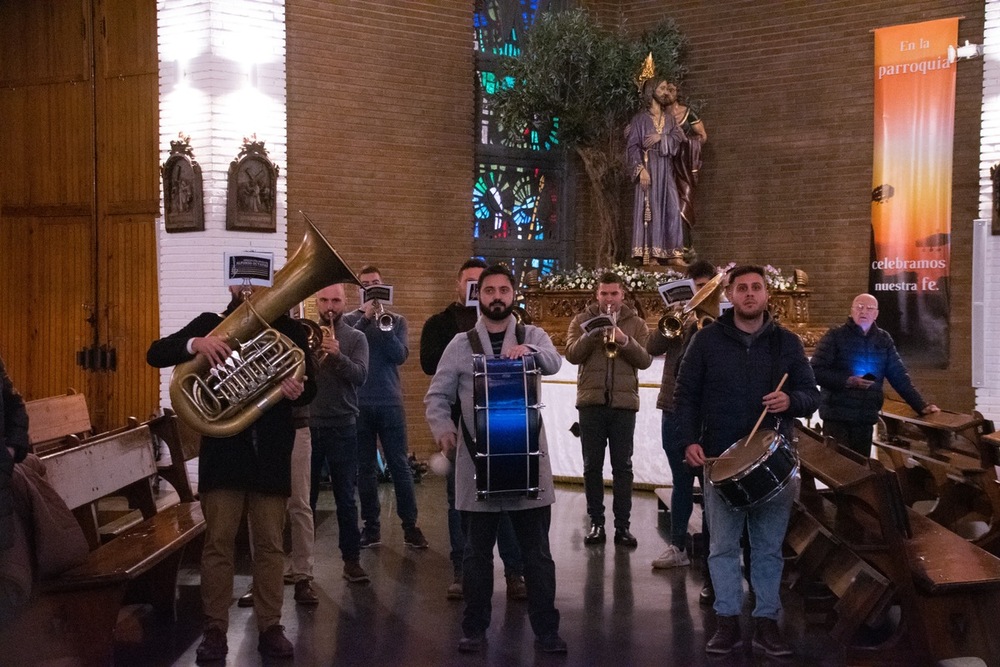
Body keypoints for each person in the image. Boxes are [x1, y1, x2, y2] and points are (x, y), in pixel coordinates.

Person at [146, 281, 316, 663]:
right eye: (245, 282)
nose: (252, 289)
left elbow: (311, 389)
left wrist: (295, 390)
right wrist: (196, 345)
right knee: (218, 543)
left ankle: (271, 626)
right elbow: (155, 353)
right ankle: (214, 630)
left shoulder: (288, 332)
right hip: (224, 454)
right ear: (232, 285)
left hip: (271, 452)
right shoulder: (211, 323)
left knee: (271, 544)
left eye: (262, 282)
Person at [674, 265, 819, 657]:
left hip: (774, 461)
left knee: (768, 548)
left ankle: (767, 623)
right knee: (721, 546)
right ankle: (726, 622)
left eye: (757, 288)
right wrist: (688, 440)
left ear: (767, 295)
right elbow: (684, 395)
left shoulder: (786, 344)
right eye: (742, 288)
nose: (750, 294)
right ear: (730, 295)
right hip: (721, 461)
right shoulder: (706, 342)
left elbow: (811, 394)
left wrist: (792, 401)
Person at [424, 263, 566, 654]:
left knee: (537, 556)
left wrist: (532, 352)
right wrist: (443, 430)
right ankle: (474, 629)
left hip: (528, 467)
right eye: (489, 291)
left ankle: (547, 632)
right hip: (475, 467)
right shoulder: (459, 344)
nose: (497, 297)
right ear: (478, 297)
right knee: (475, 557)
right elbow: (436, 397)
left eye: (504, 290)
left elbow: (555, 363)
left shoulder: (533, 334)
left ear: (513, 294)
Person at [419, 258, 527, 601]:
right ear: (463, 287)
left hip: (503, 427)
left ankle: (514, 572)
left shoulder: (515, 327)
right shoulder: (443, 325)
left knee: (509, 504)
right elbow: (429, 367)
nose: (488, 293)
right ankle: (462, 569)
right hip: (461, 429)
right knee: (460, 504)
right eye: (475, 285)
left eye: (495, 287)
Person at [565, 272, 652, 547]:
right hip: (591, 402)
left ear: (622, 295)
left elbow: (646, 359)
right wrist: (592, 335)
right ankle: (596, 523)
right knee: (592, 467)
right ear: (597, 295)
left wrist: (624, 340)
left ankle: (622, 526)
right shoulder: (581, 321)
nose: (609, 299)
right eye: (604, 294)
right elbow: (571, 354)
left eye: (614, 294)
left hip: (624, 405)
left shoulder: (636, 323)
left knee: (623, 467)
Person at [344, 265, 427, 549]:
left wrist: (384, 325)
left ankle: (410, 526)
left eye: (376, 283)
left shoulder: (397, 320)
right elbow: (344, 351)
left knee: (400, 466)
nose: (371, 287)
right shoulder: (347, 321)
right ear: (359, 290)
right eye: (366, 284)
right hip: (358, 404)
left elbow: (400, 355)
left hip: (390, 402)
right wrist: (366, 320)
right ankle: (372, 527)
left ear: (383, 286)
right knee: (364, 469)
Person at [647, 260, 717, 570]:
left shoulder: (721, 322)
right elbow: (651, 346)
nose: (699, 294)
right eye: (695, 288)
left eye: (704, 288)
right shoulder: (680, 318)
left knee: (712, 483)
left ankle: (714, 551)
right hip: (673, 406)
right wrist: (675, 315)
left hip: (708, 411)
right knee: (680, 479)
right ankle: (678, 546)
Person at [811, 293, 939, 457]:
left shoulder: (883, 339)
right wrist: (848, 381)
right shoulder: (835, 336)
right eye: (859, 307)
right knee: (839, 469)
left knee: (861, 469)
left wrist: (921, 405)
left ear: (876, 314)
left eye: (869, 308)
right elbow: (815, 371)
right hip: (837, 417)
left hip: (865, 417)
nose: (863, 311)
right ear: (851, 311)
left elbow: (899, 376)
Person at [308, 284, 370, 585]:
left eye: (335, 300)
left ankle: (352, 560)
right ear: (315, 303)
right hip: (308, 424)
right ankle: (302, 567)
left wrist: (337, 356)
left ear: (345, 303)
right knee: (304, 502)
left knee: (346, 498)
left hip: (343, 424)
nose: (329, 306)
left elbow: (360, 376)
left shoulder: (356, 337)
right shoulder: (304, 335)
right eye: (324, 300)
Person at [627, 76, 706, 264]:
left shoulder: (670, 119)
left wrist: (661, 137)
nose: (665, 92)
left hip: (666, 168)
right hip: (649, 168)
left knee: (672, 206)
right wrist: (640, 170)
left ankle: (674, 253)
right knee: (651, 208)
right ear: (651, 91)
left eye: (666, 89)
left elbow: (680, 139)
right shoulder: (639, 120)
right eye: (661, 88)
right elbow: (632, 147)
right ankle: (652, 254)